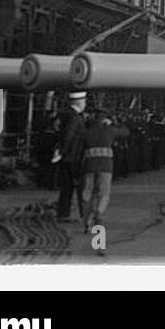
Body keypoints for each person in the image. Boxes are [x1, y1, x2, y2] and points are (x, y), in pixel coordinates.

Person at [80, 108, 130, 232]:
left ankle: (87, 221)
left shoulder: (86, 132)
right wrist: (116, 122)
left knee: (87, 193)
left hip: (89, 166)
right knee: (104, 193)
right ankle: (99, 212)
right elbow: (125, 132)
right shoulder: (110, 131)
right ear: (105, 119)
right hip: (106, 166)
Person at [51, 91, 87, 223]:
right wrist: (62, 151)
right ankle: (66, 213)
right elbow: (69, 135)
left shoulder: (66, 115)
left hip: (68, 155)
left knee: (67, 186)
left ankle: (63, 212)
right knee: (71, 186)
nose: (85, 104)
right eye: (84, 101)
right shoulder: (74, 118)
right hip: (72, 156)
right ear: (79, 102)